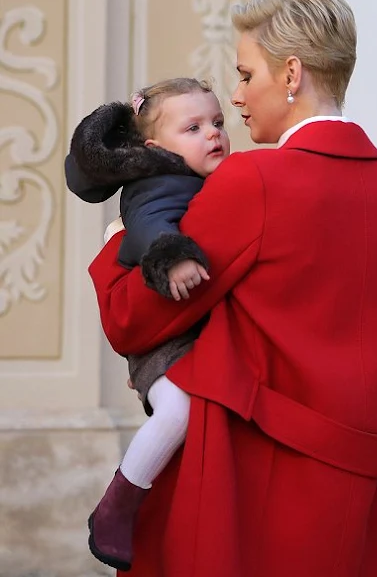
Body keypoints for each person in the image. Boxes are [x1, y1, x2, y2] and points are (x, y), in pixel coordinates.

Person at [86, 0, 377, 577]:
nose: (237, 97)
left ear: (291, 73)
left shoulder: (253, 180)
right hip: (363, 488)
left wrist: (117, 235)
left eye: (245, 75)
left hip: (254, 481)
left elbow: (131, 319)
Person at [65, 78, 230, 571]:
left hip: (184, 338)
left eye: (218, 123)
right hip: (166, 342)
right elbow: (151, 224)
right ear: (157, 149)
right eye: (194, 127)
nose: (214, 135)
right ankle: (118, 505)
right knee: (178, 411)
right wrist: (171, 257)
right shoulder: (160, 183)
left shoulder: (201, 178)